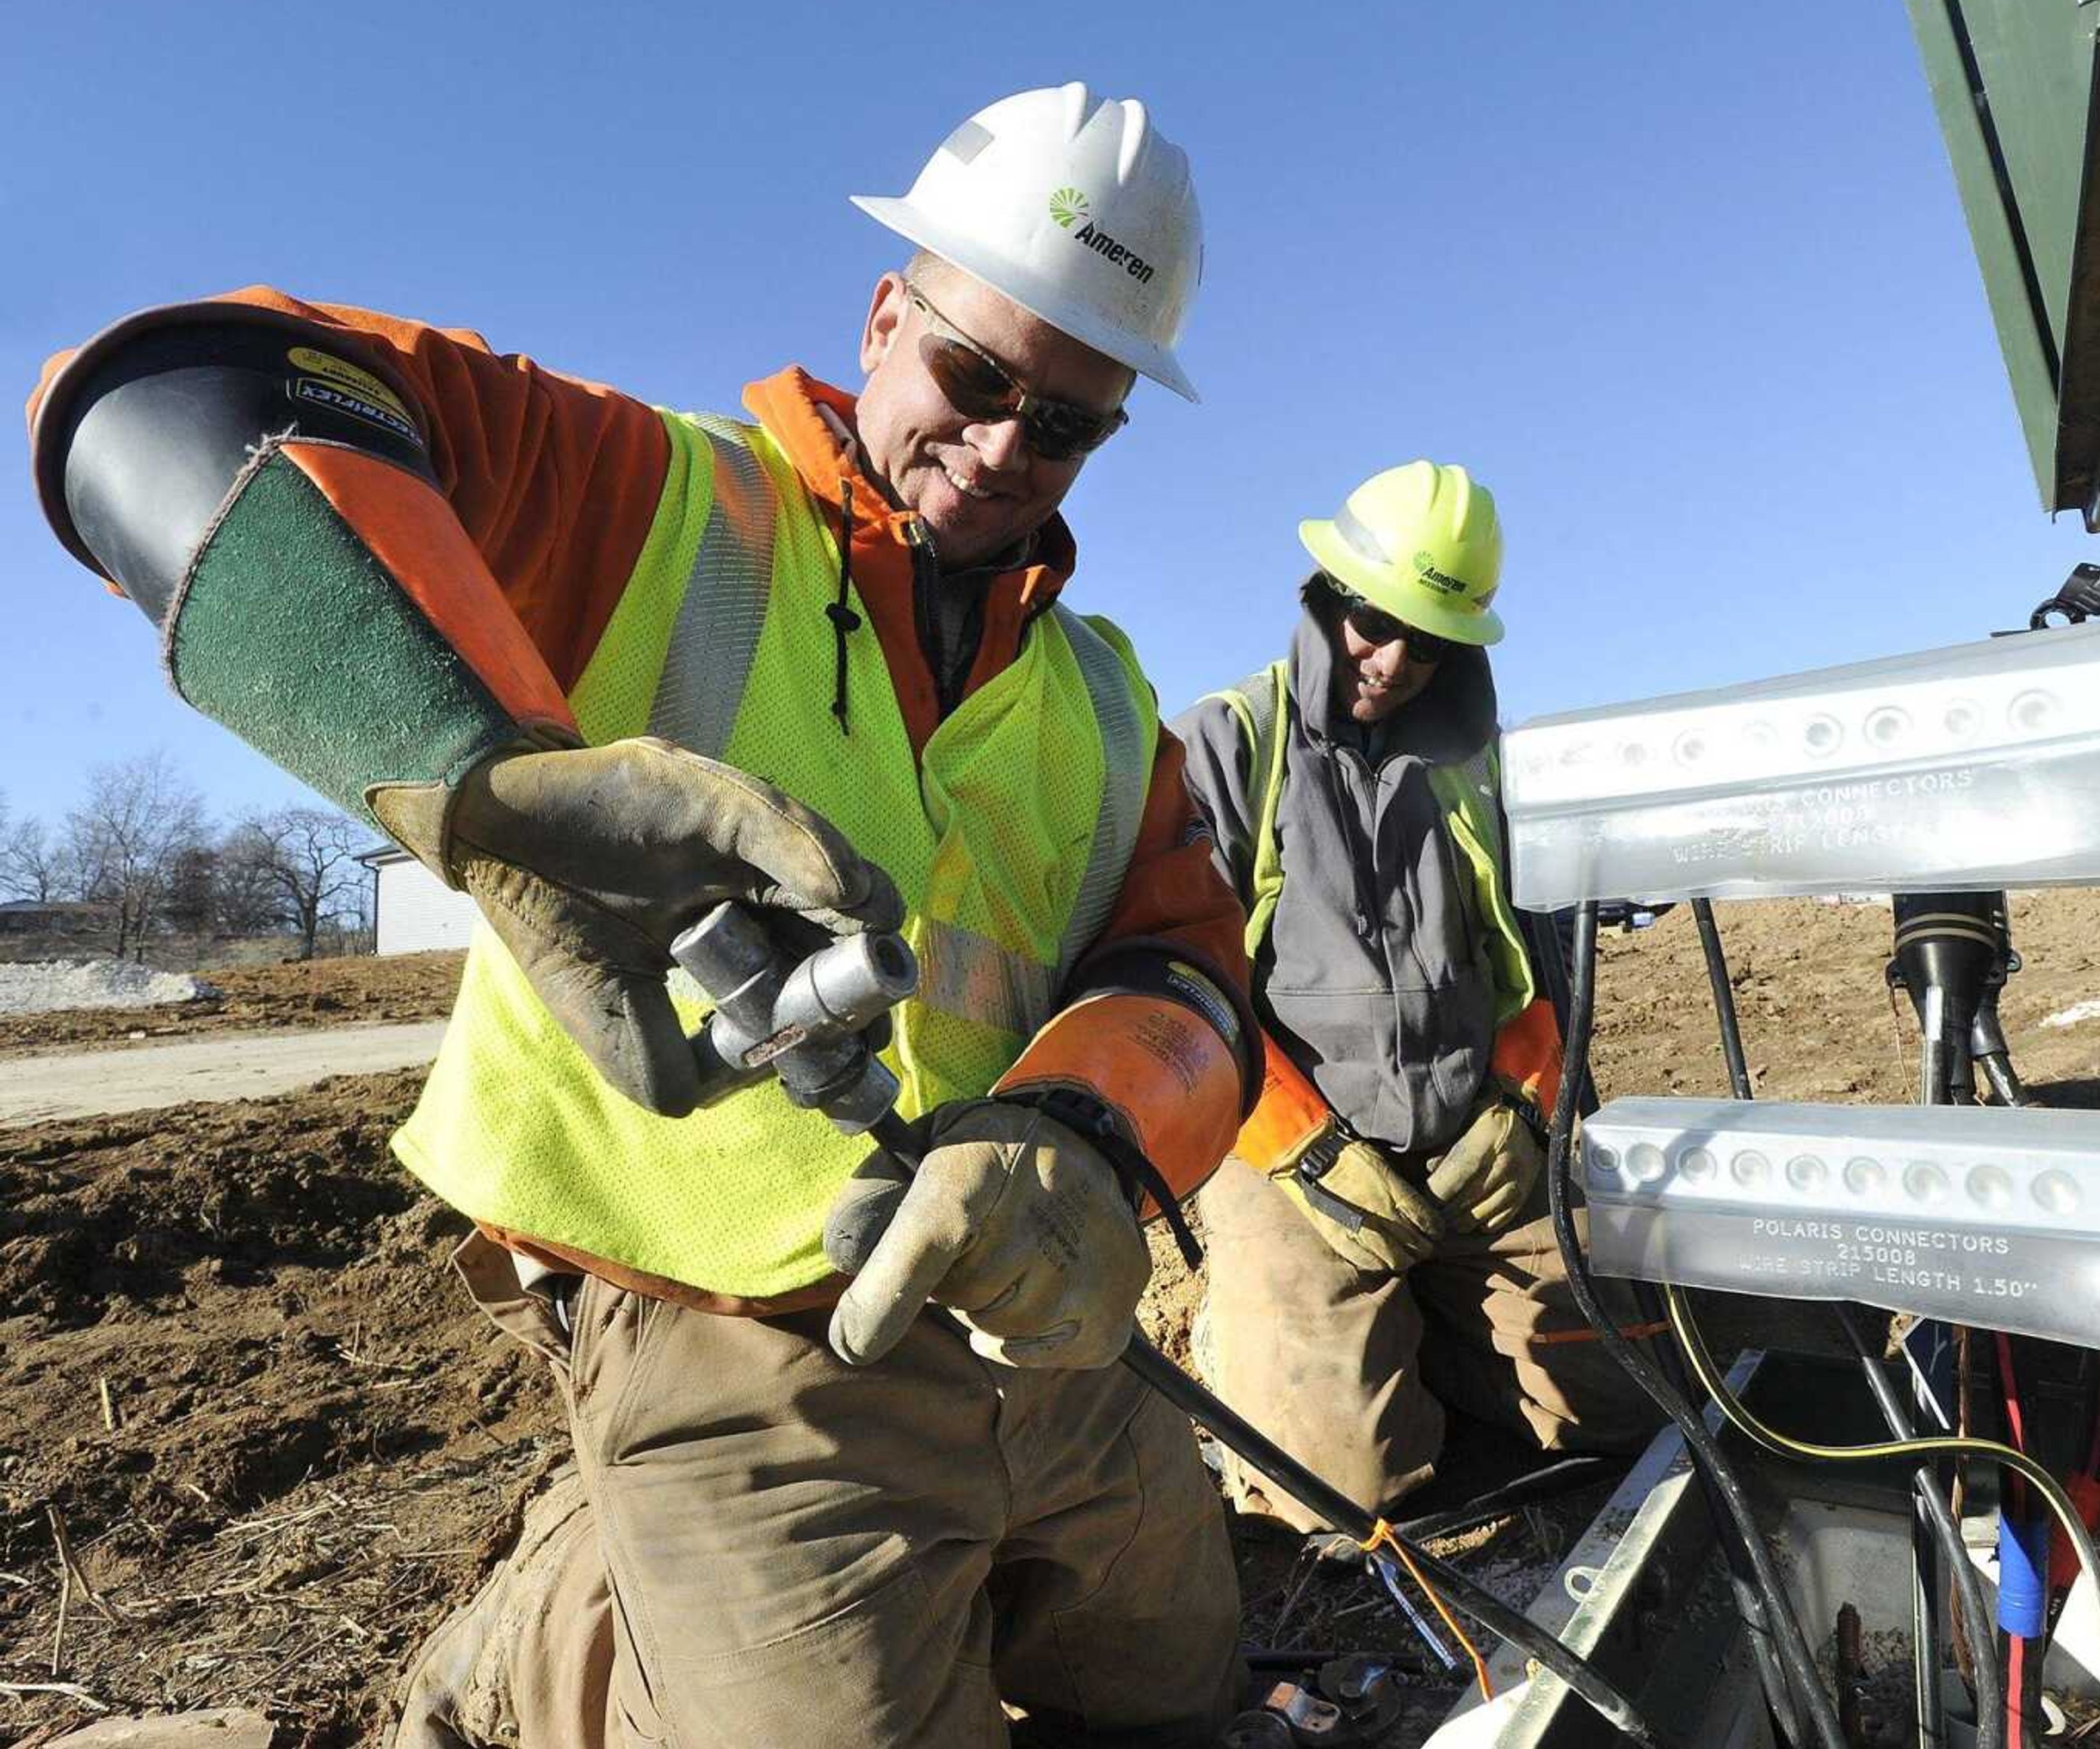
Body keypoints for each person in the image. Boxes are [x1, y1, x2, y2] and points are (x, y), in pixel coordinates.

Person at [28, 84, 1259, 1748]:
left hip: (1003, 1304)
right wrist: (471, 777)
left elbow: (1185, 959)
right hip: (716, 1314)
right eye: (976, 377)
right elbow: (170, 396)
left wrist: (1082, 1144)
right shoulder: (667, 509)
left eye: (1064, 426)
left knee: (1186, 1690)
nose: (997, 449)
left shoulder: (1102, 702)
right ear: (889, 312)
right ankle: (555, 1645)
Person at [1171, 460, 1650, 1531]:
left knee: (1624, 1404)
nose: (1393, 663)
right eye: (1373, 621)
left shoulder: (1479, 768)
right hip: (1290, 1160)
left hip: (1471, 1144)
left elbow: (1536, 962)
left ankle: (1423, 1322)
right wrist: (1302, 1147)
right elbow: (1183, 983)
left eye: (1429, 642)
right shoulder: (1225, 744)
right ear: (1324, 595)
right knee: (1342, 1498)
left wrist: (1524, 1106)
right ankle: (1258, 1338)